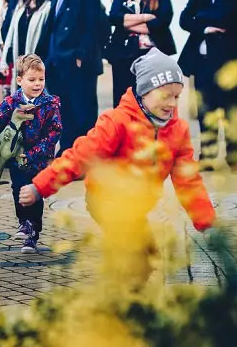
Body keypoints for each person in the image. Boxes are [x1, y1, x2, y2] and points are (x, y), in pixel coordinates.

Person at [19, 49, 215, 287]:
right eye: (165, 95)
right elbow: (80, 155)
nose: (172, 104)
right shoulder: (117, 121)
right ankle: (118, 305)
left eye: (177, 96)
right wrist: (40, 187)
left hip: (136, 205)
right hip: (106, 199)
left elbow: (188, 179)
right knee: (134, 258)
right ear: (145, 91)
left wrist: (205, 219)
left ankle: (125, 297)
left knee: (148, 256)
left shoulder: (177, 130)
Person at [178, 0, 237, 172]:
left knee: (230, 113)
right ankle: (207, 156)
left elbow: (226, 17)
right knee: (205, 112)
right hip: (202, 64)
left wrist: (199, 18)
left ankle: (235, 158)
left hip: (227, 64)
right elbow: (183, 20)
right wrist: (205, 27)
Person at [0, 54, 62, 253]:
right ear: (19, 80)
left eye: (41, 80)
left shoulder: (50, 104)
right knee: (19, 190)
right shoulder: (11, 102)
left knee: (35, 193)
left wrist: (36, 153)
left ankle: (33, 232)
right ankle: (24, 223)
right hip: (16, 158)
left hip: (39, 160)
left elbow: (55, 131)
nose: (37, 84)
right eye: (32, 80)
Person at [45, 0, 107, 156]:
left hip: (77, 62)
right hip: (57, 61)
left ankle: (84, 156)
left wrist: (81, 55)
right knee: (64, 111)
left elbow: (92, 25)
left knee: (82, 111)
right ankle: (68, 152)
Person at [106, 0, 177, 102]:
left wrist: (128, 23)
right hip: (123, 53)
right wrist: (145, 17)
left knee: (150, 98)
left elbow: (162, 23)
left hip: (152, 54)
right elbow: (114, 17)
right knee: (124, 98)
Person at [1, 0, 56, 94]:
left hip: (37, 65)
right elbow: (11, 33)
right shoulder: (21, 4)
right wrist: (4, 60)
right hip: (20, 64)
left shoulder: (47, 7)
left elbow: (46, 39)